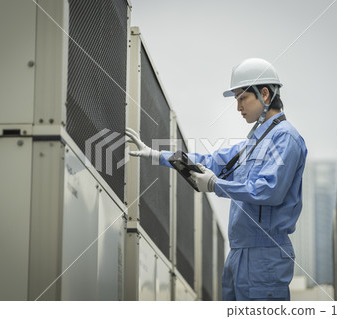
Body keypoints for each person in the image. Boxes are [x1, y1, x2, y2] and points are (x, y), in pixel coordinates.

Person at [126, 58, 307, 301]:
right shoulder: (251, 145)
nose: (238, 107)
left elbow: (268, 191)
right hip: (239, 254)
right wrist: (158, 155)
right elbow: (209, 162)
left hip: (265, 255)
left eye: (242, 98)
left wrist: (215, 185)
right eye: (236, 100)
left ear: (264, 94)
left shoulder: (286, 138)